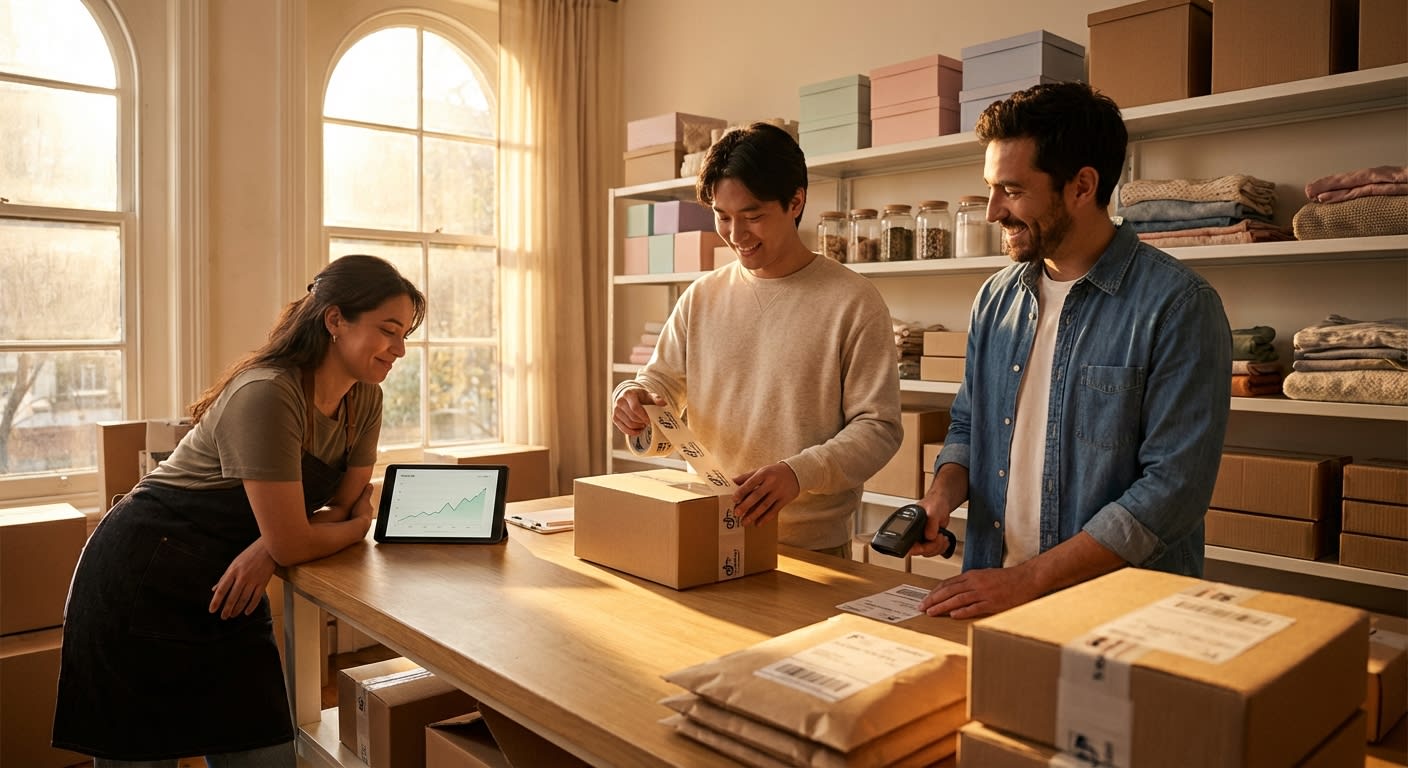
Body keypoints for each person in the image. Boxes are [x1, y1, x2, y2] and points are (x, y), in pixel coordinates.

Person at [53, 255, 426, 767]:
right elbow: (335, 520)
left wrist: (266, 550)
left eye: (404, 334)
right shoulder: (268, 393)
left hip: (233, 584)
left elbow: (335, 505)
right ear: (335, 320)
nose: (400, 349)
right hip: (141, 582)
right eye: (388, 330)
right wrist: (355, 527)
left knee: (267, 755)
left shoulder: (365, 400)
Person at [910, 82, 1231, 618]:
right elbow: (969, 426)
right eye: (991, 188)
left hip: (1119, 618)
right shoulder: (996, 297)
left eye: (1011, 190)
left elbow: (1172, 492)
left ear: (1082, 186)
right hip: (993, 596)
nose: (992, 212)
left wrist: (1027, 581)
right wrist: (941, 497)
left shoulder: (1179, 306)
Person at [611, 122, 902, 556]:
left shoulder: (853, 301)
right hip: (706, 529)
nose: (736, 235)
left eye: (752, 216)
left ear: (796, 201)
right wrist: (634, 399)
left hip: (810, 549)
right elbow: (659, 385)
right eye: (722, 217)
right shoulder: (701, 297)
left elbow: (879, 428)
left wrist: (798, 473)